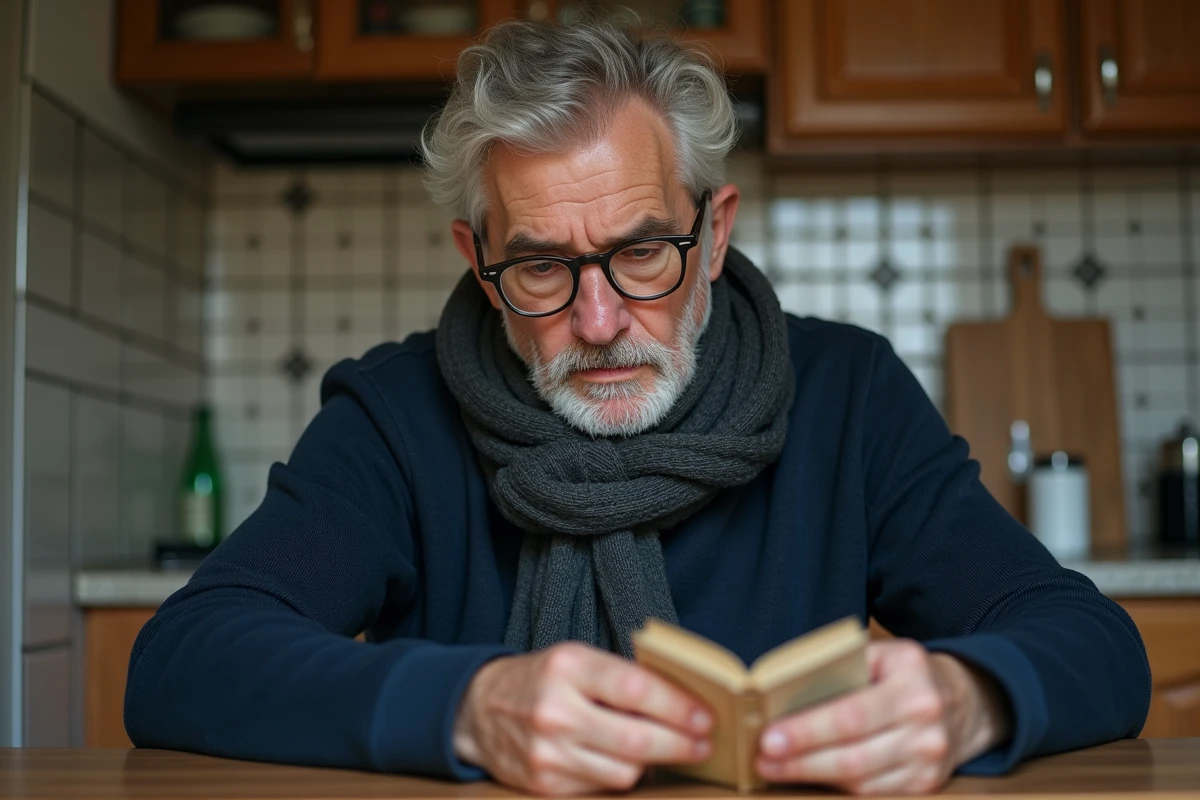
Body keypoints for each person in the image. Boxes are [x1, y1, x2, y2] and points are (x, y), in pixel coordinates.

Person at [124, 18, 1150, 797]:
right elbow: (182, 660)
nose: (603, 318)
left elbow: (1092, 641)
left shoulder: (849, 394)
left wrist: (973, 698)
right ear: (480, 265)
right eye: (540, 266)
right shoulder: (397, 413)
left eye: (643, 251)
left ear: (711, 235)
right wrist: (469, 709)